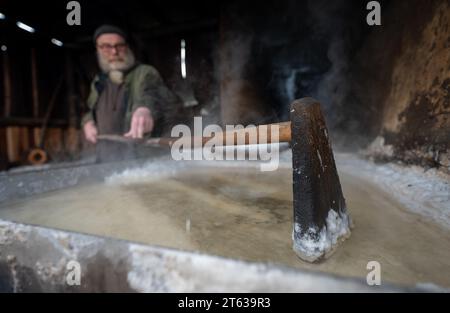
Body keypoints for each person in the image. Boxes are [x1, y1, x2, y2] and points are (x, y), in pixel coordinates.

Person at [82, 24, 181, 144]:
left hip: (141, 157)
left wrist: (145, 109)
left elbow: (153, 94)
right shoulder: (98, 81)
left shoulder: (144, 72)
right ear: (98, 50)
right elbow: (90, 110)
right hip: (107, 157)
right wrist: (88, 122)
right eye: (106, 47)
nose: (114, 52)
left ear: (127, 47)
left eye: (119, 45)